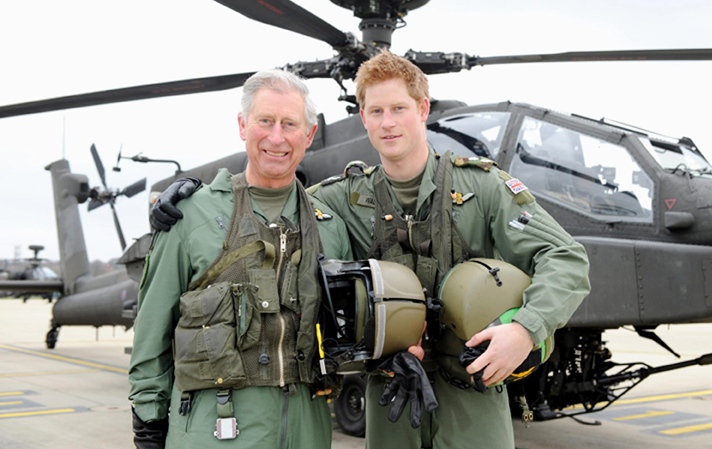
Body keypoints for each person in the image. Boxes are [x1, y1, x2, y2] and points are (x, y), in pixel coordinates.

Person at [151, 50, 591, 448]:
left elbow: (566, 258)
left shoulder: (482, 186)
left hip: (474, 396)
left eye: (399, 108)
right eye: (376, 111)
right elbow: (272, 190)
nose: (388, 122)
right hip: (390, 398)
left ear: (422, 109)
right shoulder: (342, 197)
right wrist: (192, 193)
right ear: (363, 117)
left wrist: (525, 330)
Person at [128, 69, 353, 448]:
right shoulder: (191, 217)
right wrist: (148, 423)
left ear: (309, 135)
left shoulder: (330, 226)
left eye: (289, 124)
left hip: (307, 431)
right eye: (265, 121)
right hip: (212, 430)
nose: (276, 137)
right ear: (243, 126)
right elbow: (151, 330)